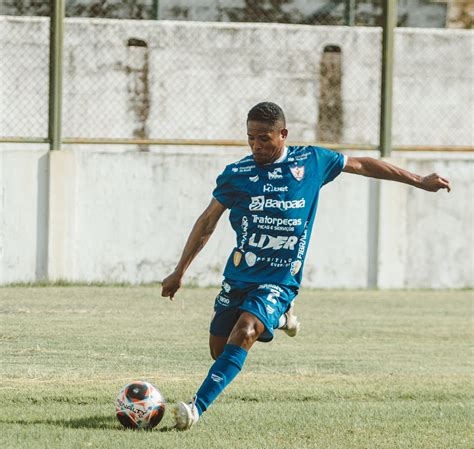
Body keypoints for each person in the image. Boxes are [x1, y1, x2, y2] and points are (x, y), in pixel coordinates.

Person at [161, 102, 451, 430]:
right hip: (240, 274)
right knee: (220, 351)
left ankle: (195, 408)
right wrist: (180, 270)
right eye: (250, 138)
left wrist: (419, 180)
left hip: (280, 279)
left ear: (283, 134)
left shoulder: (311, 162)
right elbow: (207, 220)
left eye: (265, 139)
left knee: (245, 332)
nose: (256, 146)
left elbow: (362, 164)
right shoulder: (237, 175)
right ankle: (282, 318)